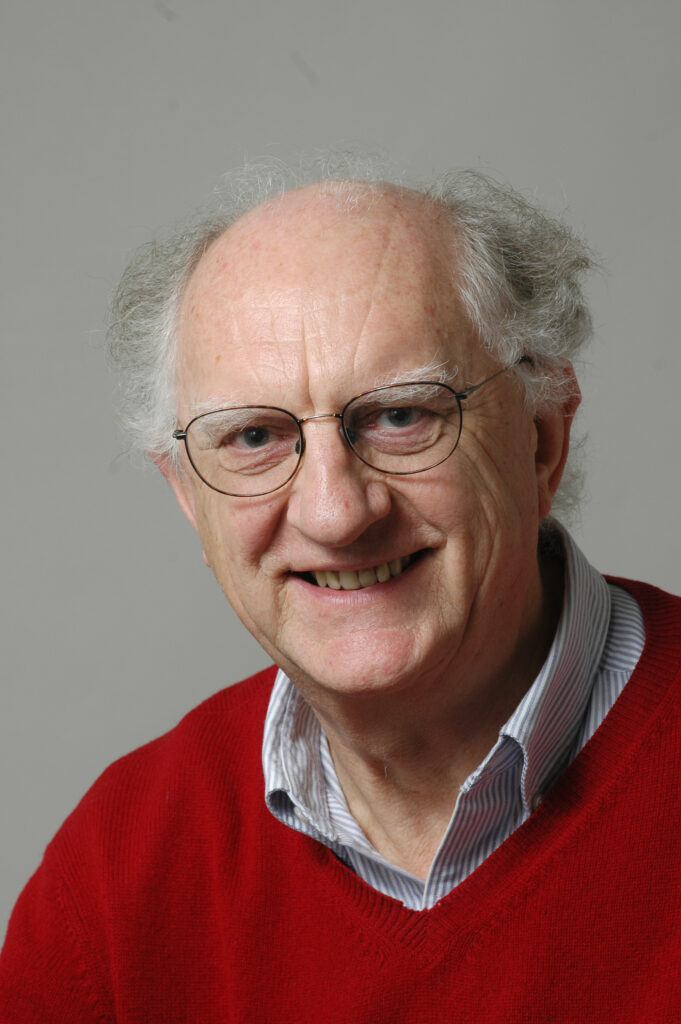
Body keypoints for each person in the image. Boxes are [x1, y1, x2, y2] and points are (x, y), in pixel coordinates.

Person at [1, 160, 680, 1022]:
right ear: (187, 494)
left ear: (541, 440)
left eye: (401, 415)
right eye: (252, 436)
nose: (333, 512)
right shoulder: (119, 869)